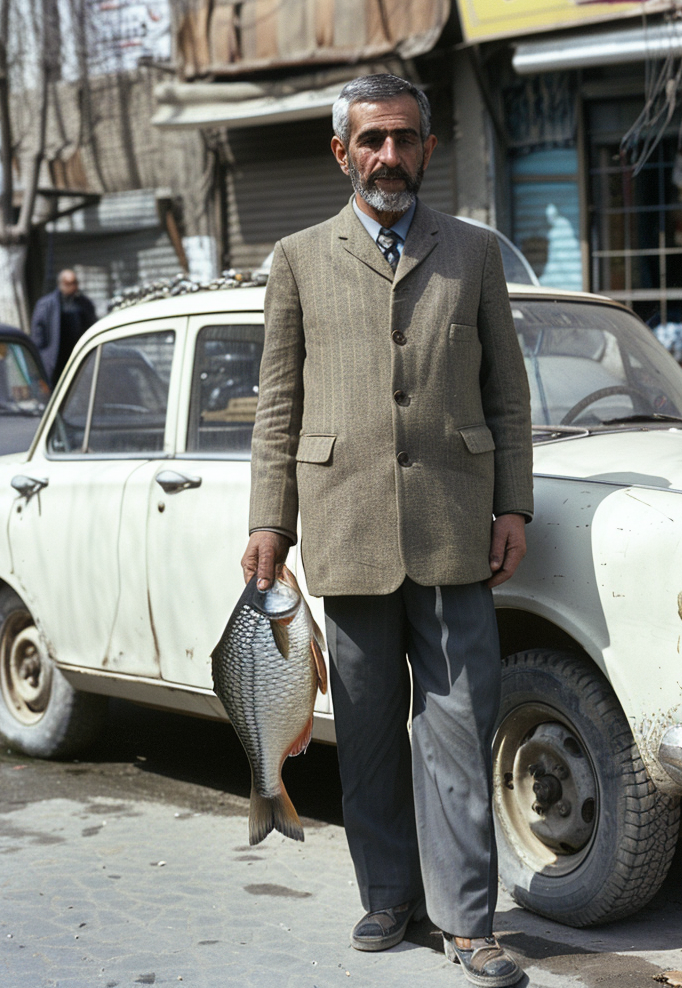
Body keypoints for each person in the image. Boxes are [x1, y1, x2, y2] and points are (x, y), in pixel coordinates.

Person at [241, 73, 533, 987]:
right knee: (365, 733)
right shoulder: (297, 257)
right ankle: (387, 898)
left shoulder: (475, 254)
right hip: (347, 526)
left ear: (429, 147)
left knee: (456, 728)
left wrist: (513, 504)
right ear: (342, 152)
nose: (388, 157)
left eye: (404, 139)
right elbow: (278, 405)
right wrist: (268, 524)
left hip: (454, 531)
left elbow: (509, 398)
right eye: (370, 140)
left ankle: (469, 922)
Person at [30, 269, 97, 384]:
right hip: (56, 360)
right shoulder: (47, 304)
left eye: (75, 283)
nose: (74, 287)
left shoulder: (84, 303)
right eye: (69, 284)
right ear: (61, 284)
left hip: (79, 356)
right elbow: (38, 334)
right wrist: (43, 357)